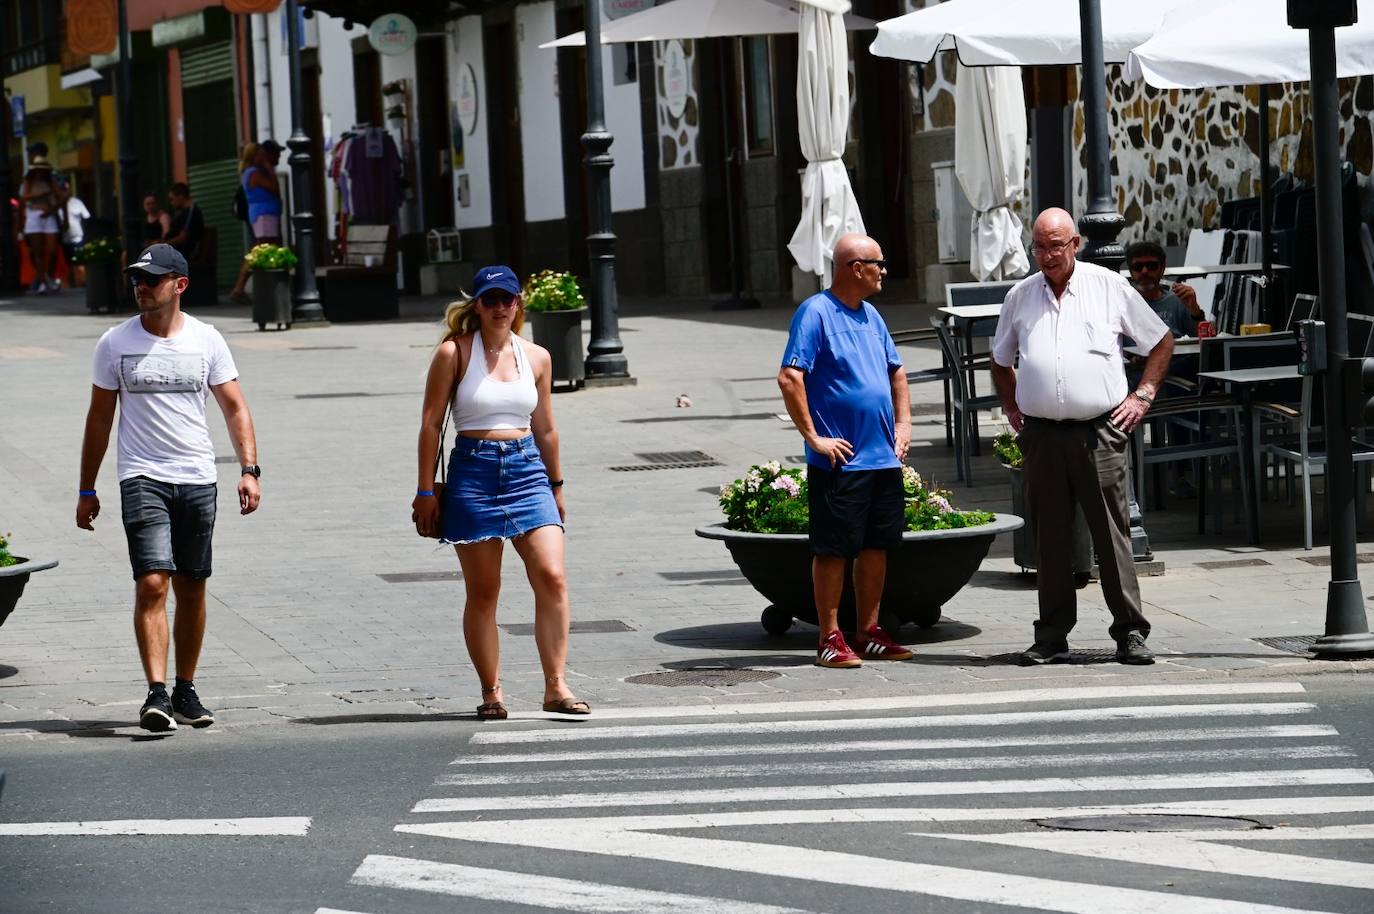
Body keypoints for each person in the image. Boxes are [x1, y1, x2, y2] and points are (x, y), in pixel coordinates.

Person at [76, 243, 262, 733]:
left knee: (193, 586)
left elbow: (235, 408)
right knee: (153, 581)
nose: (141, 286)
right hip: (141, 476)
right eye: (137, 278)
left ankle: (185, 688)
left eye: (151, 279)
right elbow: (99, 418)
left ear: (179, 285)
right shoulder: (114, 343)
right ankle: (155, 693)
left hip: (198, 476)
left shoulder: (207, 339)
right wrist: (86, 488)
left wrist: (250, 469)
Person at [990, 208, 1172, 667]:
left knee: (1112, 537)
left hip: (1099, 433)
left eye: (1056, 245)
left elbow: (1161, 340)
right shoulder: (1020, 296)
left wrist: (1143, 396)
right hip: (1043, 436)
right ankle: (1051, 636)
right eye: (1039, 246)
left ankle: (1130, 633)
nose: (1047, 255)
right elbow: (999, 358)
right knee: (1048, 539)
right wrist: (1012, 408)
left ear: (1075, 244)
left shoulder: (1106, 286)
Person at [410, 265, 589, 720]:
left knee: (552, 576)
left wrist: (557, 484)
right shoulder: (454, 353)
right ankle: (492, 692)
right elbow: (431, 424)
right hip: (474, 472)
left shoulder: (538, 357)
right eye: (489, 300)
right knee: (484, 592)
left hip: (529, 472)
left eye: (507, 300)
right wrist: (425, 491)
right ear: (476, 305)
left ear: (518, 304)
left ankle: (556, 687)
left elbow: (546, 427)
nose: (499, 308)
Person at [777, 233, 914, 669]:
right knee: (833, 549)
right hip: (841, 459)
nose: (884, 270)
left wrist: (905, 424)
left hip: (882, 457)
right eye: (878, 263)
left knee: (877, 545)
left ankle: (868, 631)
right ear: (856, 267)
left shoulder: (872, 315)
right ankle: (829, 636)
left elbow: (897, 373)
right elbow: (789, 377)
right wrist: (815, 438)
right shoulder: (815, 313)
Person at [229, 140, 284, 304]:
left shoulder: (252, 171)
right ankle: (239, 287)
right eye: (260, 153)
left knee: (267, 247)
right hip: (263, 215)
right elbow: (274, 188)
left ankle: (259, 286)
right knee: (260, 248)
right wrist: (268, 168)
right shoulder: (254, 173)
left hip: (266, 214)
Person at [1125, 240, 1204, 338]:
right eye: (1138, 266)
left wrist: (1195, 310)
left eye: (1151, 266)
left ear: (1162, 268)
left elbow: (1203, 340)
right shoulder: (1122, 303)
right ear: (1130, 271)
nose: (1144, 271)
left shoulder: (1178, 301)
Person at [19, 156, 61, 294]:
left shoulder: (51, 180)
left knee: (53, 250)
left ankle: (48, 276)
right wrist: (42, 194)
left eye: (43, 170)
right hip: (34, 214)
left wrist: (55, 209)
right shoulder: (28, 181)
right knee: (38, 251)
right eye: (38, 170)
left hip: (49, 214)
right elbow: (24, 198)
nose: (40, 173)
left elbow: (60, 196)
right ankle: (43, 281)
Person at [165, 182, 205, 260]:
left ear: (180, 196)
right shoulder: (182, 213)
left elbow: (182, 238)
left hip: (182, 256)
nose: (171, 203)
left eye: (172, 199)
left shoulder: (192, 213)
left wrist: (163, 245)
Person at [58, 179, 91, 271]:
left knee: (80, 265)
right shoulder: (56, 205)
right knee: (67, 267)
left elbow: (87, 218)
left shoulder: (77, 202)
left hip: (78, 240)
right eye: (62, 190)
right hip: (63, 241)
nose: (64, 192)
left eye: (65, 189)